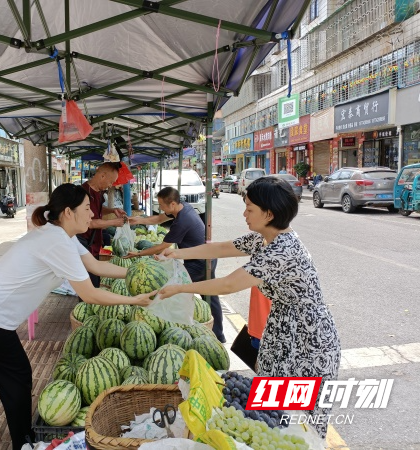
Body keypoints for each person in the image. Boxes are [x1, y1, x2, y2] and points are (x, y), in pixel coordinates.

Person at [0, 183, 155, 448]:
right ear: (68, 212)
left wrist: (140, 272)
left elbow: (96, 266)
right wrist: (134, 299)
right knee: (18, 375)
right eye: (87, 209)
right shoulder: (56, 241)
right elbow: (90, 294)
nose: (92, 215)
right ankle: (24, 442)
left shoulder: (62, 235)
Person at [157, 177, 340, 438]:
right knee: (274, 409)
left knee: (298, 418)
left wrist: (179, 289)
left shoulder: (282, 250)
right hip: (283, 329)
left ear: (269, 214)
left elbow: (230, 284)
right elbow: (223, 247)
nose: (244, 213)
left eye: (250, 208)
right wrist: (177, 253)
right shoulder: (264, 238)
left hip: (307, 340)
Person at [126, 187, 226, 343]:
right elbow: (159, 219)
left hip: (200, 262)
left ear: (172, 204)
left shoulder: (182, 221)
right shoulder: (182, 207)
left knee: (173, 291)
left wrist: (138, 254)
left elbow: (162, 246)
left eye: (161, 204)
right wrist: (138, 220)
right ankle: (218, 334)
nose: (160, 208)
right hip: (205, 257)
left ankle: (178, 329)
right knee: (210, 296)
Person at [79, 162, 127, 287]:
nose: (110, 185)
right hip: (84, 244)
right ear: (102, 176)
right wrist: (113, 222)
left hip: (94, 245)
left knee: (95, 279)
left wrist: (112, 211)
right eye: (111, 182)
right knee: (89, 283)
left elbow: (98, 210)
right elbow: (89, 223)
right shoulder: (83, 193)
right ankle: (87, 304)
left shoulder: (98, 193)